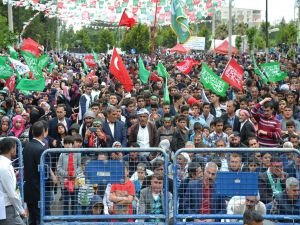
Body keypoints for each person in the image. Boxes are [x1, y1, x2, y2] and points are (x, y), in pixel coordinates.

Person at [23, 121, 47, 225]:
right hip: (37, 189)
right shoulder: (41, 149)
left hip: (28, 189)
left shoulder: (27, 146)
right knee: (39, 218)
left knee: (32, 218)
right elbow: (43, 171)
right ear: (44, 132)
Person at [0, 138, 27, 225]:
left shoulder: (4, 164)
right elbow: (12, 193)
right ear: (12, 149)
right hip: (7, 207)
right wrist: (21, 210)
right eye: (15, 147)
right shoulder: (5, 167)